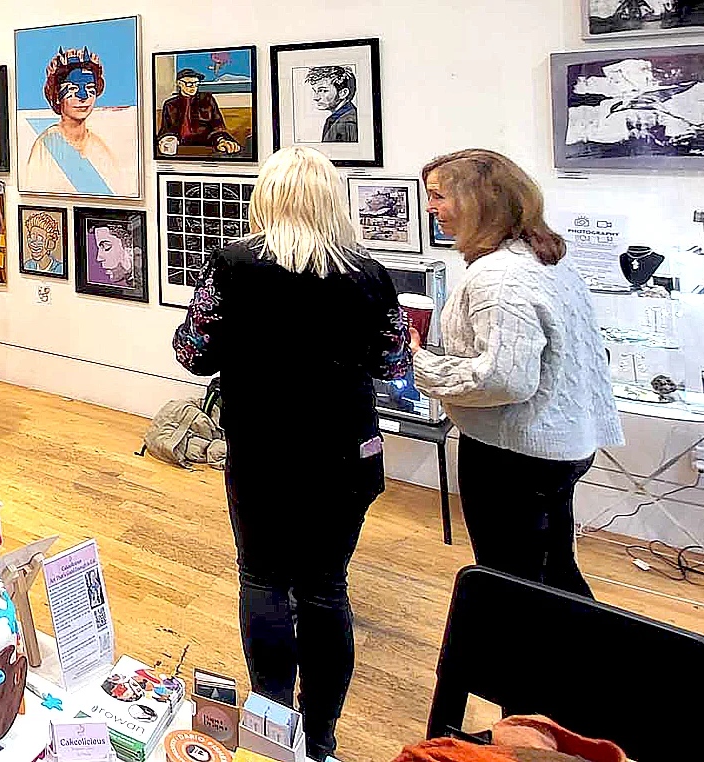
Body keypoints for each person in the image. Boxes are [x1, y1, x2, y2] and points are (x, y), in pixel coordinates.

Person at [170, 146, 409, 762]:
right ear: (333, 201)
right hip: (344, 451)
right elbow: (394, 364)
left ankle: (275, 726)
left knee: (264, 578)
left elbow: (193, 351)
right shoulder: (370, 274)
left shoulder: (233, 265)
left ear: (267, 199)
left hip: (264, 447)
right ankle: (322, 736)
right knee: (327, 587)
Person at [412, 149, 623, 598]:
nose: (430, 207)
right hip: (557, 445)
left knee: (513, 579)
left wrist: (419, 362)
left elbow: (506, 380)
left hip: (515, 454)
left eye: (438, 196)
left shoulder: (500, 277)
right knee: (552, 567)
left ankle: (524, 664)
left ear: (478, 200)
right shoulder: (545, 261)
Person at [23, 47, 139, 197]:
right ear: (57, 96)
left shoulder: (99, 147)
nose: (83, 96)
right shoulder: (46, 144)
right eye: (72, 88)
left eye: (90, 88)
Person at [157, 68, 242, 157]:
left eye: (196, 84)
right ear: (179, 84)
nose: (193, 87)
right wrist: (167, 139)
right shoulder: (170, 104)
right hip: (179, 148)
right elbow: (166, 130)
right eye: (189, 84)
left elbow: (217, 126)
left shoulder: (207, 99)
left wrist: (221, 140)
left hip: (205, 146)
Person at [305, 67, 358, 143]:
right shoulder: (339, 118)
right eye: (315, 91)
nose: (315, 97)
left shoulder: (347, 124)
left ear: (343, 93)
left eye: (323, 91)